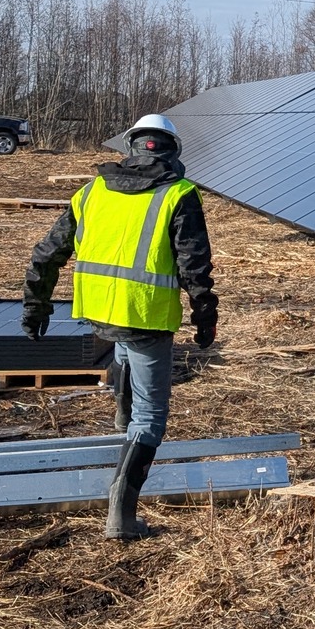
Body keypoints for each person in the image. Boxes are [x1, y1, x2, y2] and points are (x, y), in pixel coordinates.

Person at [23, 112, 218, 540]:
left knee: (124, 354)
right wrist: (205, 316)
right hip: (145, 316)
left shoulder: (92, 191)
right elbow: (194, 265)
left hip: (99, 310)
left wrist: (36, 306)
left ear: (130, 147)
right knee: (151, 418)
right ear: (173, 151)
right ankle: (121, 514)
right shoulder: (179, 193)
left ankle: (121, 419)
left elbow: (47, 253)